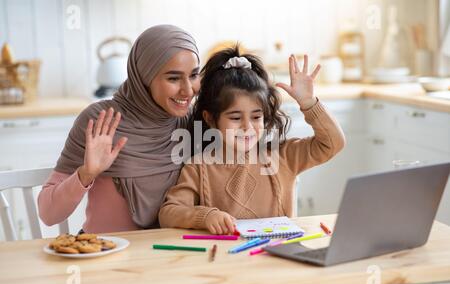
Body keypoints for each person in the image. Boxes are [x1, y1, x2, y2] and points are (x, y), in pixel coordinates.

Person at [158, 46, 346, 235]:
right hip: (227, 258)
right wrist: (204, 217)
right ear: (211, 119)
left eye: (256, 117)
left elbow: (333, 143)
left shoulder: (283, 156)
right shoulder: (198, 167)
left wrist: (308, 102)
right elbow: (168, 213)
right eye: (236, 118)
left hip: (278, 256)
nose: (247, 127)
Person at [38, 25, 200, 233]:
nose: (188, 90)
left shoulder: (192, 122)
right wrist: (86, 174)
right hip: (103, 253)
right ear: (144, 77)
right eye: (173, 78)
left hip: (169, 255)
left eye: (194, 75)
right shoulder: (100, 121)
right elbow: (48, 214)